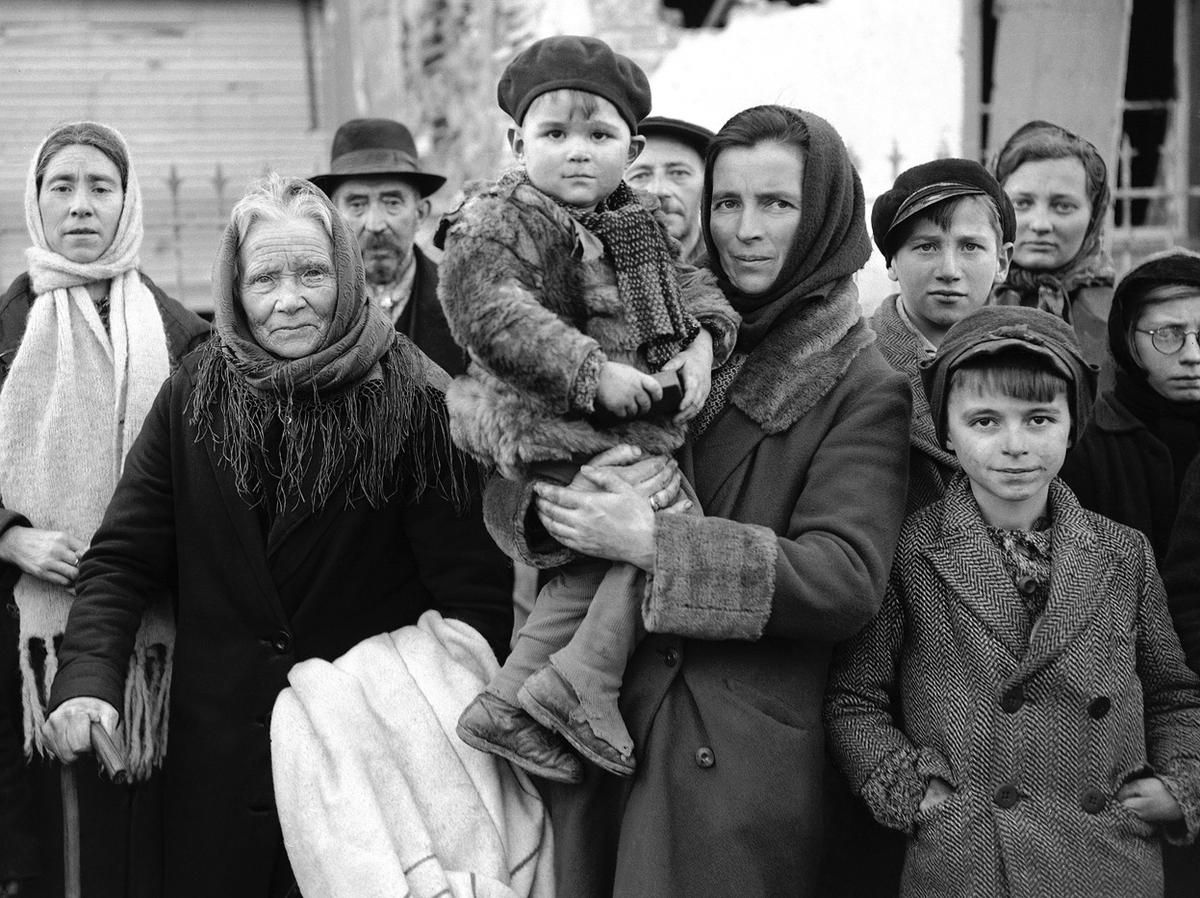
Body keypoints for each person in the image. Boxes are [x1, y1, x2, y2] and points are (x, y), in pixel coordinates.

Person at [38, 174, 513, 898]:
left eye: (312, 273)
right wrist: (87, 679)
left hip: (366, 775)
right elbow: (123, 557)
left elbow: (474, 607)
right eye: (265, 278)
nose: (288, 298)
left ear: (345, 277)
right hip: (219, 775)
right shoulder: (193, 392)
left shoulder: (419, 401)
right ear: (235, 287)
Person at [487, 103, 911, 896]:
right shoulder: (656, 320)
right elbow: (512, 474)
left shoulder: (861, 384)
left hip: (726, 759)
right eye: (727, 202)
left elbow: (845, 579)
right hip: (595, 733)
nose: (745, 229)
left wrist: (656, 545)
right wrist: (558, 505)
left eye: (776, 204)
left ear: (822, 214)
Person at [825, 305, 1200, 897]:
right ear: (945, 430)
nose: (1014, 446)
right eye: (984, 421)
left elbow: (1173, 694)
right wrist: (915, 793)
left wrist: (1179, 784)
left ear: (1073, 425)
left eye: (1039, 419)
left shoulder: (1124, 553)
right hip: (969, 858)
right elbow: (855, 699)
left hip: (1106, 857)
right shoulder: (909, 552)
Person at [443, 35, 738, 783]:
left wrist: (701, 346)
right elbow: (487, 308)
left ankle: (511, 701)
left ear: (628, 148)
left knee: (593, 565)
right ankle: (587, 682)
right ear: (516, 142)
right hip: (550, 420)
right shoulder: (502, 218)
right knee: (671, 523)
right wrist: (591, 373)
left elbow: (690, 289)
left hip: (608, 426)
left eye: (599, 136)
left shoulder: (632, 221)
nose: (578, 153)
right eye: (555, 134)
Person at [0, 121, 209, 898]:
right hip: (21, 637)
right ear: (36, 201)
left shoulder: (183, 337)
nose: (81, 206)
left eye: (100, 187)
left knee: (142, 838)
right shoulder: (5, 332)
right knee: (45, 849)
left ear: (128, 203)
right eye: (62, 186)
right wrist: (13, 539)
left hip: (155, 625)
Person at [1058, 248, 1200, 897]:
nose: (1193, 353)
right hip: (1118, 734)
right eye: (1169, 334)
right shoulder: (1088, 447)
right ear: (1128, 340)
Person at [870, 157, 1015, 514]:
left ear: (1002, 262)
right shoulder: (858, 363)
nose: (949, 270)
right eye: (926, 246)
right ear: (891, 261)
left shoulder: (1032, 361)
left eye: (970, 247)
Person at [310, 117, 467, 376]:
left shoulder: (463, 304)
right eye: (357, 204)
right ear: (333, 217)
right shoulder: (312, 309)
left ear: (420, 213)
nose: (376, 224)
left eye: (392, 202)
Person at [989, 120, 1115, 366]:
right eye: (1022, 203)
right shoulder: (963, 302)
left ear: (1093, 217)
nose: (1041, 224)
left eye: (1063, 206)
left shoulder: (1120, 317)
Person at [624, 115, 713, 265]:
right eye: (640, 176)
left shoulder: (736, 269)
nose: (659, 190)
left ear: (707, 184)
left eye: (679, 173)